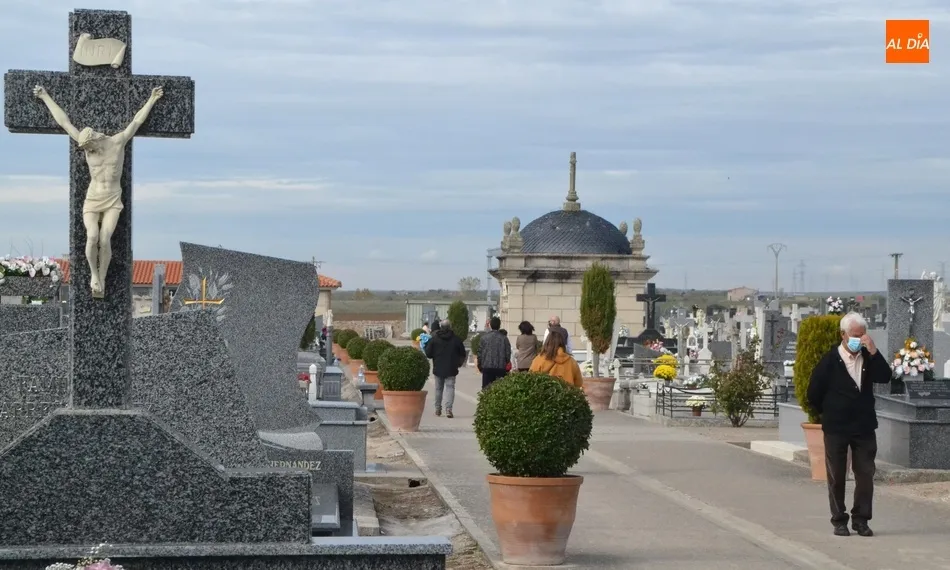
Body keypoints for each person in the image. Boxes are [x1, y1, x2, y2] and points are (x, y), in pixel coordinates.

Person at [33, 84, 164, 298]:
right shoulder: (87, 146)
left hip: (112, 199)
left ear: (96, 139)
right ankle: (94, 275)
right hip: (93, 198)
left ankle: (102, 278)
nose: (88, 152)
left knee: (105, 239)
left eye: (90, 147)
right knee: (91, 236)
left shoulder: (117, 142)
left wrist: (152, 99)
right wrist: (45, 96)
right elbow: (64, 122)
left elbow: (136, 122)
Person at [807, 311, 891, 537]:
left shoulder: (867, 357)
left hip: (863, 426)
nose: (859, 339)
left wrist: (873, 350)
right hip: (836, 427)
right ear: (843, 335)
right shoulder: (829, 361)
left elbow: (885, 376)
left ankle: (861, 519)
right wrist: (828, 414)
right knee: (836, 475)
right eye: (855, 335)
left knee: (865, 474)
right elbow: (813, 393)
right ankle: (839, 519)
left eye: (862, 335)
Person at [424, 319, 467, 418]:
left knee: (438, 389)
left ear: (441, 327)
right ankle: (449, 409)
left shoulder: (434, 338)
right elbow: (462, 353)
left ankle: (438, 409)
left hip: (438, 367)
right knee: (450, 388)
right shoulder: (456, 339)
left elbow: (428, 353)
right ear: (450, 327)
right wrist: (459, 363)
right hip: (452, 368)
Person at [477, 316, 511, 389]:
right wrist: (506, 362)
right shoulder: (504, 338)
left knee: (486, 389)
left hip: (487, 367)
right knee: (499, 390)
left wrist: (480, 365)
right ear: (499, 325)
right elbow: (508, 353)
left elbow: (479, 353)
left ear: (490, 325)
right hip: (500, 367)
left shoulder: (484, 338)